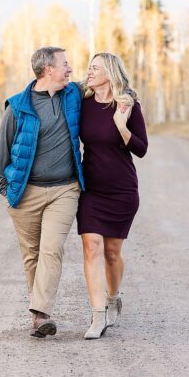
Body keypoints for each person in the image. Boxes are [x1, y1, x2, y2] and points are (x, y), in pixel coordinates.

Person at [0, 46, 85, 338]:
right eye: (65, 64)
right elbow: (3, 151)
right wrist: (7, 190)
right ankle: (40, 314)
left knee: (51, 249)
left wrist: (130, 99)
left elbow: (104, 84)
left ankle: (40, 314)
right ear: (48, 69)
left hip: (64, 190)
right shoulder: (18, 106)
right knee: (32, 255)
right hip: (26, 193)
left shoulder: (72, 95)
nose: (70, 70)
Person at [77, 52, 149, 340]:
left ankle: (113, 296)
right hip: (91, 190)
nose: (89, 72)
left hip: (121, 190)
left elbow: (142, 149)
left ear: (110, 73)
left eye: (95, 68)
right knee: (91, 247)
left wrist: (121, 125)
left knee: (111, 253)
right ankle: (98, 316)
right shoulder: (81, 105)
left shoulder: (128, 106)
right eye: (89, 68)